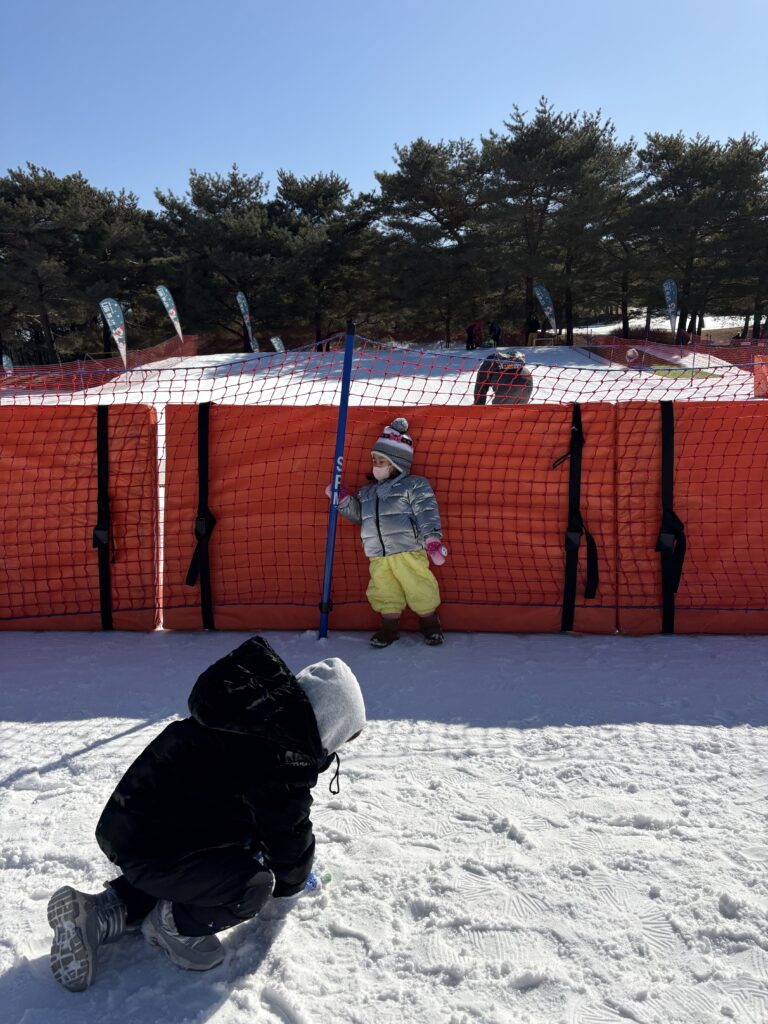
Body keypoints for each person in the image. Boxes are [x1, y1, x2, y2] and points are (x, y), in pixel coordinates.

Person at [46, 637, 365, 991]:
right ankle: (173, 926)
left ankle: (98, 911)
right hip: (158, 844)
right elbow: (287, 838)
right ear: (329, 726)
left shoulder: (250, 715)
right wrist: (294, 879)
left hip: (131, 825)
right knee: (254, 884)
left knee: (226, 857)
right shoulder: (279, 756)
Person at [330, 418, 446, 648]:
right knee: (383, 590)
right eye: (374, 460)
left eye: (381, 461)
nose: (376, 465)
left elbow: (426, 511)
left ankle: (431, 625)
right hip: (378, 554)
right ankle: (389, 628)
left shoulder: (414, 485)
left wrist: (432, 539)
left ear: (397, 464)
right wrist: (343, 501)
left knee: (419, 585)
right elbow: (359, 517)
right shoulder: (366, 492)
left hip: (408, 550)